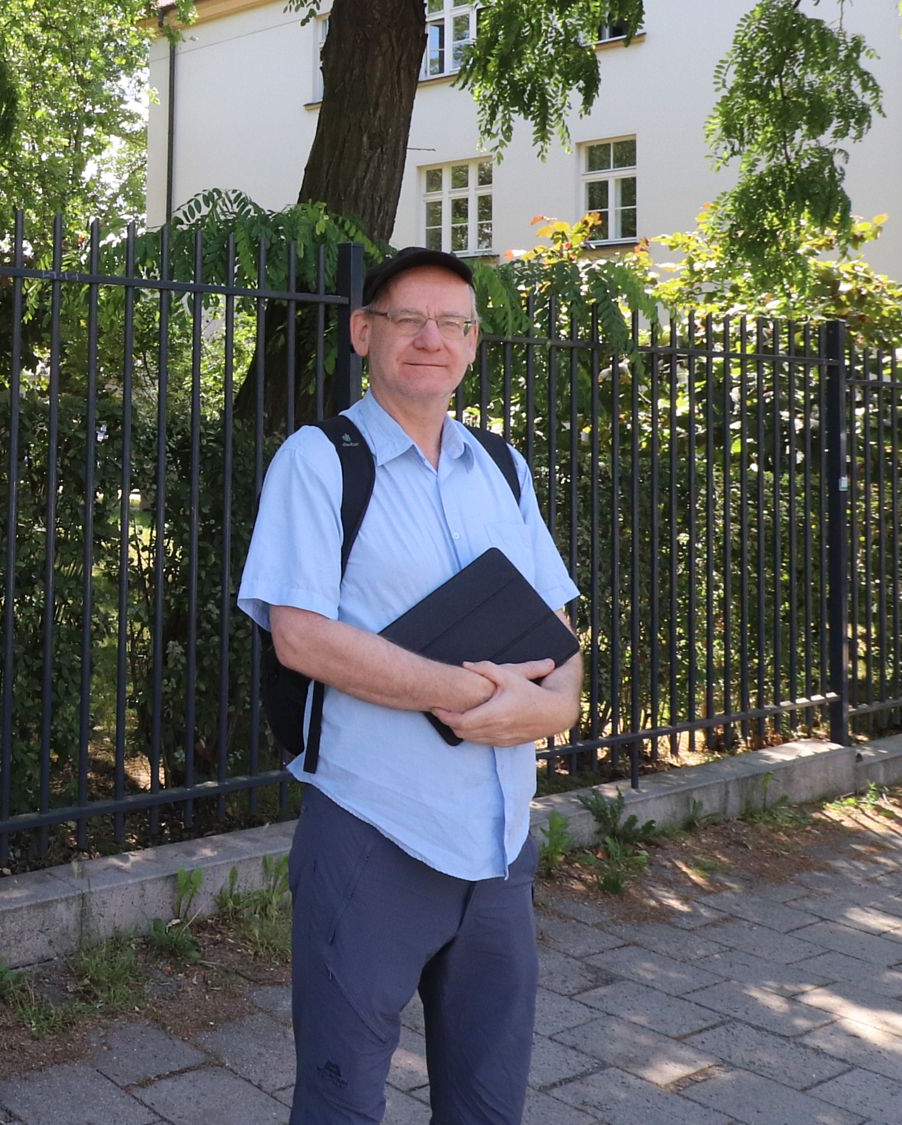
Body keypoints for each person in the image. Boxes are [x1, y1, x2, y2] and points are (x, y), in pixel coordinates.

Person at [238, 247, 584, 1124]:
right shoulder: (319, 461)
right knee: (342, 1099)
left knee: (487, 1102)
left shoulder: (502, 466)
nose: (432, 338)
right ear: (364, 333)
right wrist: (470, 697)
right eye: (408, 319)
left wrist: (555, 706)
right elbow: (300, 635)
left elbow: (557, 631)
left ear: (472, 343)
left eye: (453, 323)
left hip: (500, 844)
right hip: (373, 830)